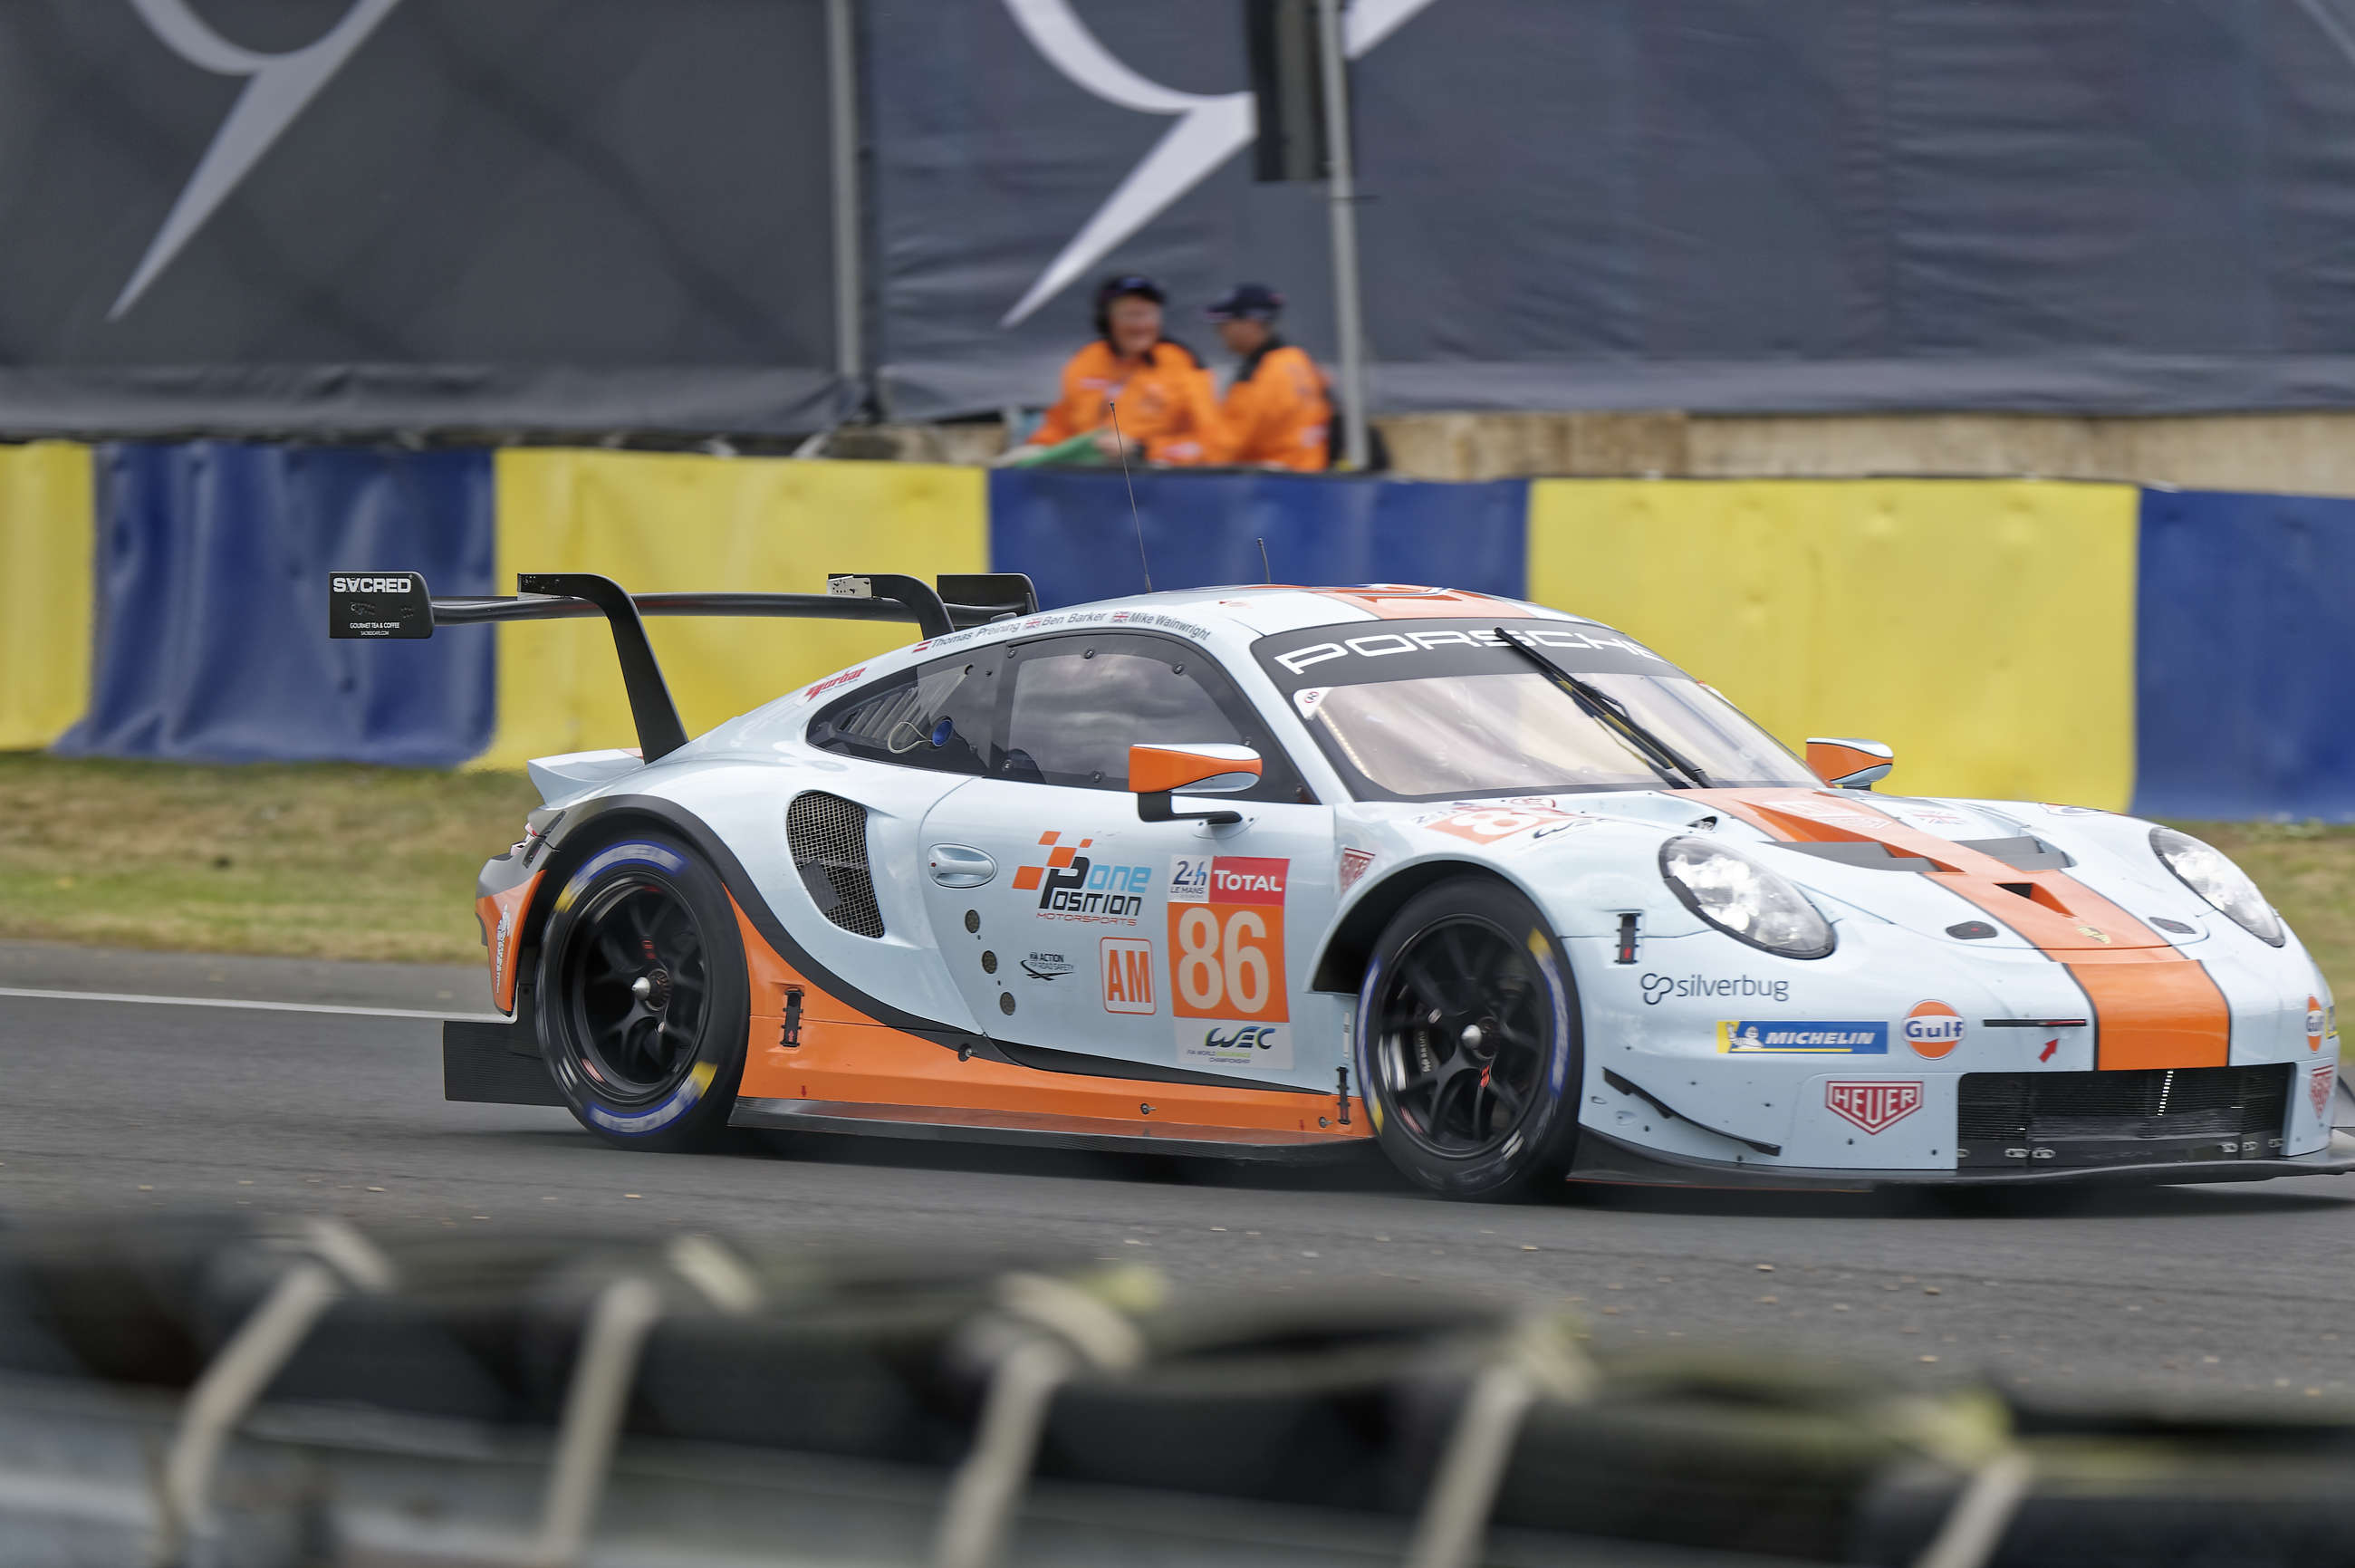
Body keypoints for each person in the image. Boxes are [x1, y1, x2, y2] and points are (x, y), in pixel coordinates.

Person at [1020, 274, 1220, 466]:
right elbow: (1060, 425)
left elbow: (1209, 445)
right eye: (1130, 315)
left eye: (1148, 314)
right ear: (1107, 320)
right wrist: (1038, 448)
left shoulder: (1183, 364)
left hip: (1155, 483)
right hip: (1088, 480)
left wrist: (1142, 450)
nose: (1141, 325)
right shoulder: (1087, 360)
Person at [1203, 283, 1331, 472]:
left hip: (1272, 484)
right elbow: (1331, 415)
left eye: (1226, 322)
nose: (1220, 331)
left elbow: (1229, 445)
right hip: (1312, 476)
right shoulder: (1301, 360)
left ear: (1251, 323)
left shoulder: (1258, 374)